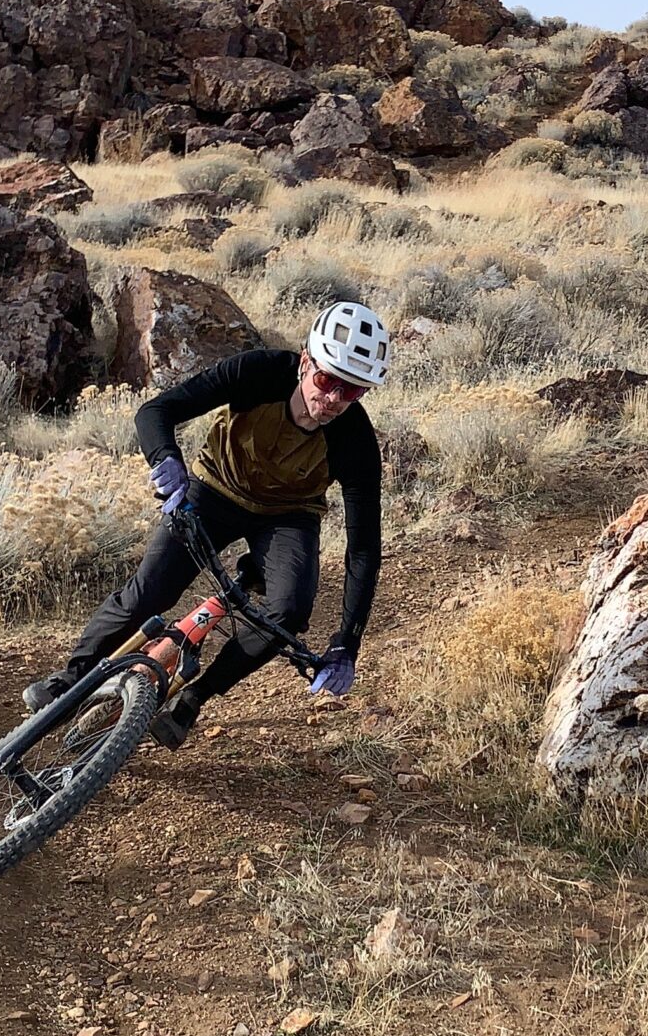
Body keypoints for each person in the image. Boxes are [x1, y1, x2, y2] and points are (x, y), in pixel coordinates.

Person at [23, 300, 390, 748]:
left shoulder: (355, 440)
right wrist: (166, 460)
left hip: (288, 516)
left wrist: (346, 643)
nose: (334, 400)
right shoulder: (258, 372)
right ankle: (72, 677)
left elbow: (364, 548)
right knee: (151, 592)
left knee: (289, 613)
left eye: (352, 391)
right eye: (327, 380)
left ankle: (194, 698)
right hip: (215, 488)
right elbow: (155, 412)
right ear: (306, 361)